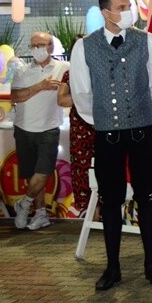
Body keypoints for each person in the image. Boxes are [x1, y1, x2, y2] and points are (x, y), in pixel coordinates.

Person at [70, 0, 152, 291]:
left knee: (146, 196)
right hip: (108, 136)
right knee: (111, 200)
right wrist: (105, 121)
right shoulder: (84, 47)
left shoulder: (146, 41)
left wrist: (139, 116)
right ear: (106, 13)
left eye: (129, 6)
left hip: (141, 132)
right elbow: (82, 95)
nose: (128, 12)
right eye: (122, 7)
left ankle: (151, 265)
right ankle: (112, 268)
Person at [11, 32, 69, 230]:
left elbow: (72, 91)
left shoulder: (63, 68)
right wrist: (40, 86)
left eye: (41, 45)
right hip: (23, 127)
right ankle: (40, 213)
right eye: (34, 45)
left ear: (51, 46)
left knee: (43, 173)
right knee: (31, 173)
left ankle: (24, 203)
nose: (37, 49)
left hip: (49, 128)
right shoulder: (22, 71)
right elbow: (15, 96)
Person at [57, 35, 95, 215]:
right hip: (80, 127)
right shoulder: (69, 73)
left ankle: (104, 209)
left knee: (106, 167)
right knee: (81, 168)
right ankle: (87, 209)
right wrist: (84, 100)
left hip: (104, 127)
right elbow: (62, 99)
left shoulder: (101, 70)